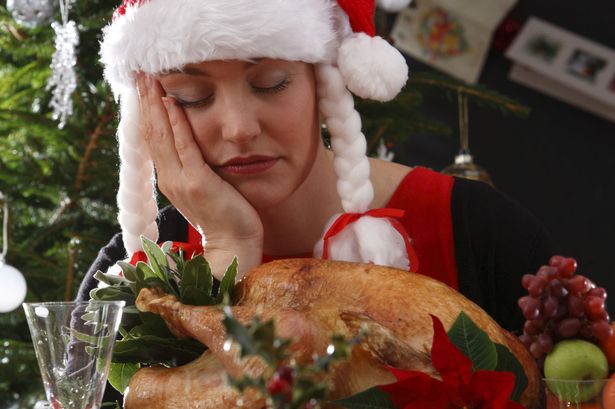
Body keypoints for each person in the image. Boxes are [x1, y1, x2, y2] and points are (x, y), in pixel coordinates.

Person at [77, 0, 559, 337]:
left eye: (271, 83)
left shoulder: (480, 233)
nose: (239, 128)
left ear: (323, 81)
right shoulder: (130, 273)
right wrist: (230, 247)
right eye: (192, 97)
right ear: (153, 112)